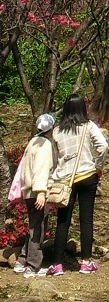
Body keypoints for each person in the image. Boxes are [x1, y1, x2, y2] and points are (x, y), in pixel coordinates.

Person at [47, 95, 109, 276]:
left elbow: (54, 156)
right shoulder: (88, 126)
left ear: (66, 109)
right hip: (88, 175)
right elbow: (103, 146)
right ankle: (86, 262)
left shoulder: (57, 131)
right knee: (86, 219)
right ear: (83, 108)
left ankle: (57, 264)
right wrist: (98, 165)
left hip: (65, 179)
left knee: (62, 221)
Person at [14, 113, 56, 278]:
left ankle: (22, 260)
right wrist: (41, 192)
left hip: (28, 191)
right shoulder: (45, 144)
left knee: (33, 225)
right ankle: (33, 266)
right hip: (37, 191)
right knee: (37, 229)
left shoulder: (32, 142)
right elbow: (41, 168)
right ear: (51, 128)